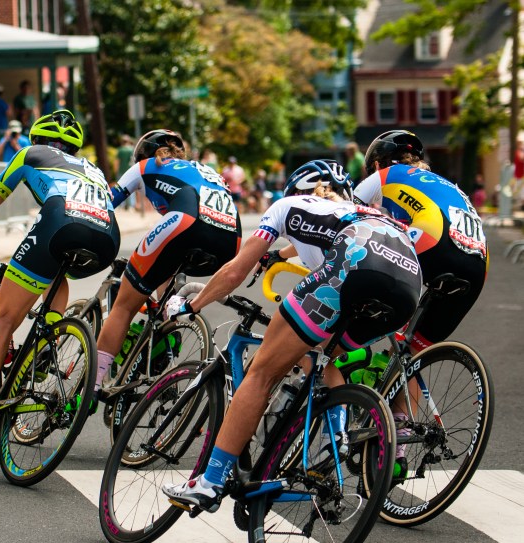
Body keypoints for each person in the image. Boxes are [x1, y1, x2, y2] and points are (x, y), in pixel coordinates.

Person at [161, 159, 422, 511]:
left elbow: (237, 269)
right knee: (319, 349)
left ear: (296, 190)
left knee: (262, 373)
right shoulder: (356, 210)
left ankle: (210, 482)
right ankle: (338, 438)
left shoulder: (286, 207)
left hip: (356, 266)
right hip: (407, 285)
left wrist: (193, 306)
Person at [0, 109, 121, 443]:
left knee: (5, 318)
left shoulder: (30, 153)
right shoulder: (91, 168)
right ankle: (48, 338)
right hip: (108, 236)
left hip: (61, 222)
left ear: (36, 138)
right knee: (55, 271)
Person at [353, 130, 488, 478]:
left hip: (435, 245)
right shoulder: (443, 183)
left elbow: (342, 218)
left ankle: (368, 403)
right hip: (476, 265)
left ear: (378, 163)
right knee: (408, 354)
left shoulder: (383, 177)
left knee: (347, 299)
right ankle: (400, 432)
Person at [95, 129, 241, 393]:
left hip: (188, 224)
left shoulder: (144, 166)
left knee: (124, 306)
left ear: (143, 153)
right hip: (232, 241)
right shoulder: (204, 169)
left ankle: (90, 387)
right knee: (166, 273)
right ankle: (167, 333)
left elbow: (108, 202)